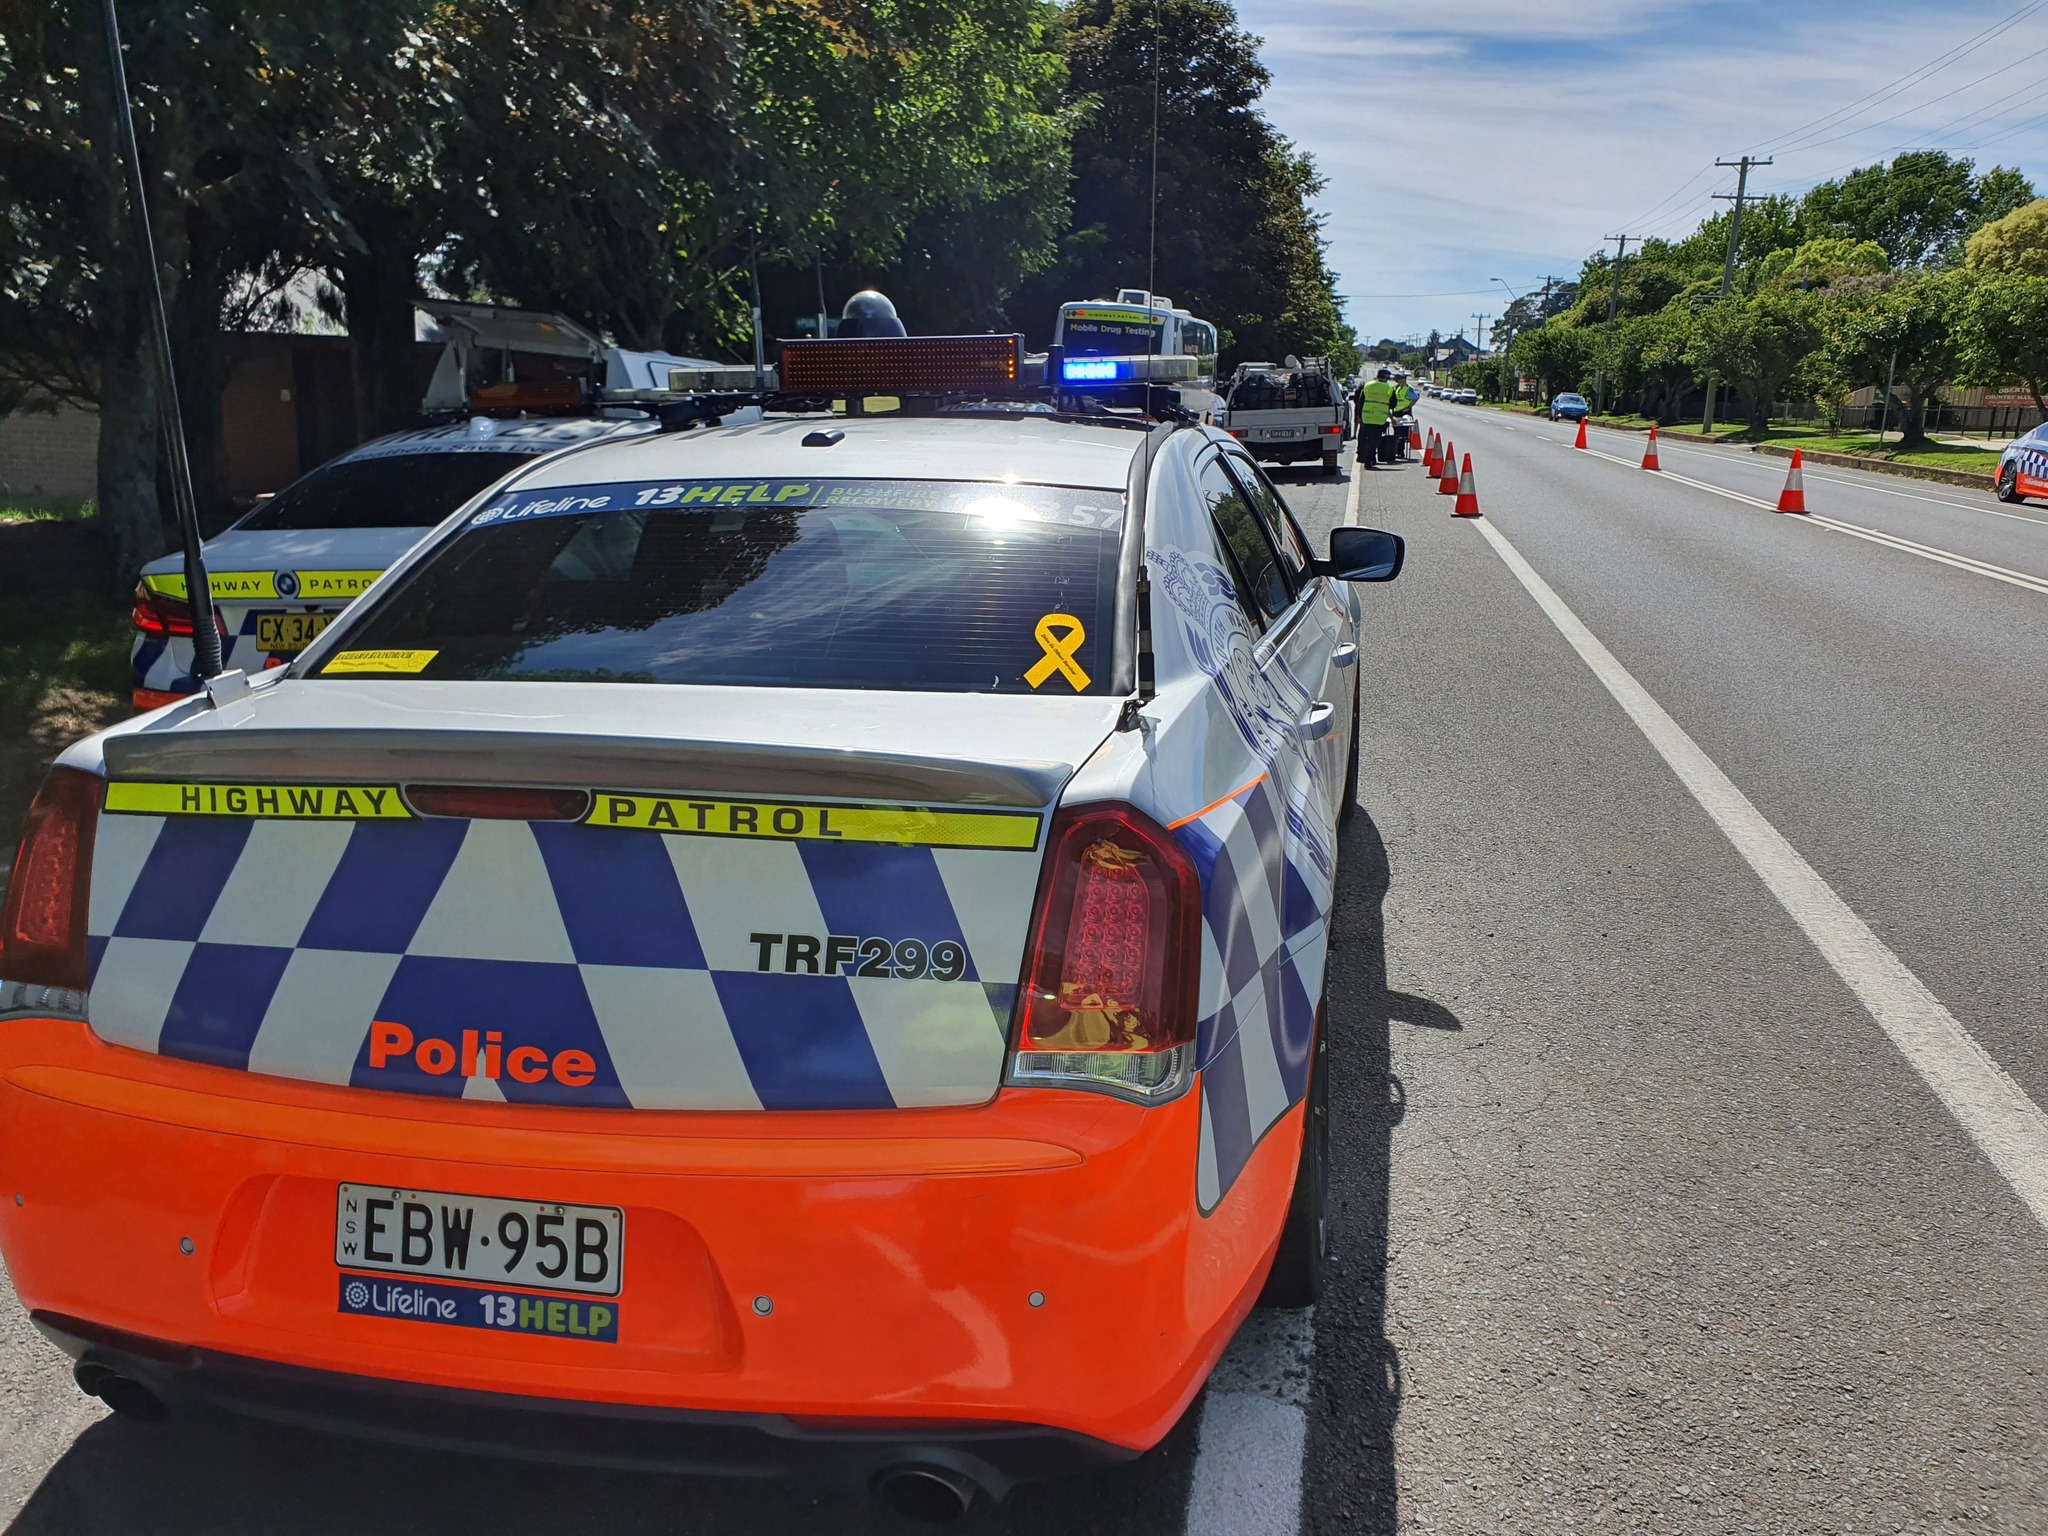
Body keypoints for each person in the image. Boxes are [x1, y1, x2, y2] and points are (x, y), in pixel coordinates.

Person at [1356, 367, 1397, 466]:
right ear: (1386, 378)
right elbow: (1393, 404)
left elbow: (1360, 401)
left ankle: (1362, 456)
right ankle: (1369, 459)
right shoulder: (1389, 388)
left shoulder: (1368, 385)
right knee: (1374, 441)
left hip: (1366, 416)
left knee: (1363, 438)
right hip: (1379, 418)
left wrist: (1360, 414)